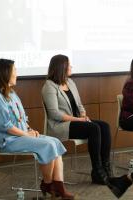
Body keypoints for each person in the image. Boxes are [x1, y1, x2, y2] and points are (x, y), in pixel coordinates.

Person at [0, 59, 74, 199]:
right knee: (48, 144)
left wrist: (30, 130)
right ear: (5, 73)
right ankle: (47, 184)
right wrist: (27, 135)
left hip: (21, 136)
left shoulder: (12, 94)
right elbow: (7, 126)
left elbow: (21, 118)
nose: (16, 74)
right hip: (9, 140)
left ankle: (59, 187)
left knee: (55, 142)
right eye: (14, 70)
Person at [41, 54, 112, 185]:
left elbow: (79, 104)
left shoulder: (70, 82)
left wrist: (83, 115)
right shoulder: (49, 86)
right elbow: (54, 114)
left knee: (104, 126)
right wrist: (78, 120)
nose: (71, 67)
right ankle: (97, 170)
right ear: (62, 67)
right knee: (94, 128)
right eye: (69, 65)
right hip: (60, 125)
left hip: (76, 121)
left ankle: (106, 167)